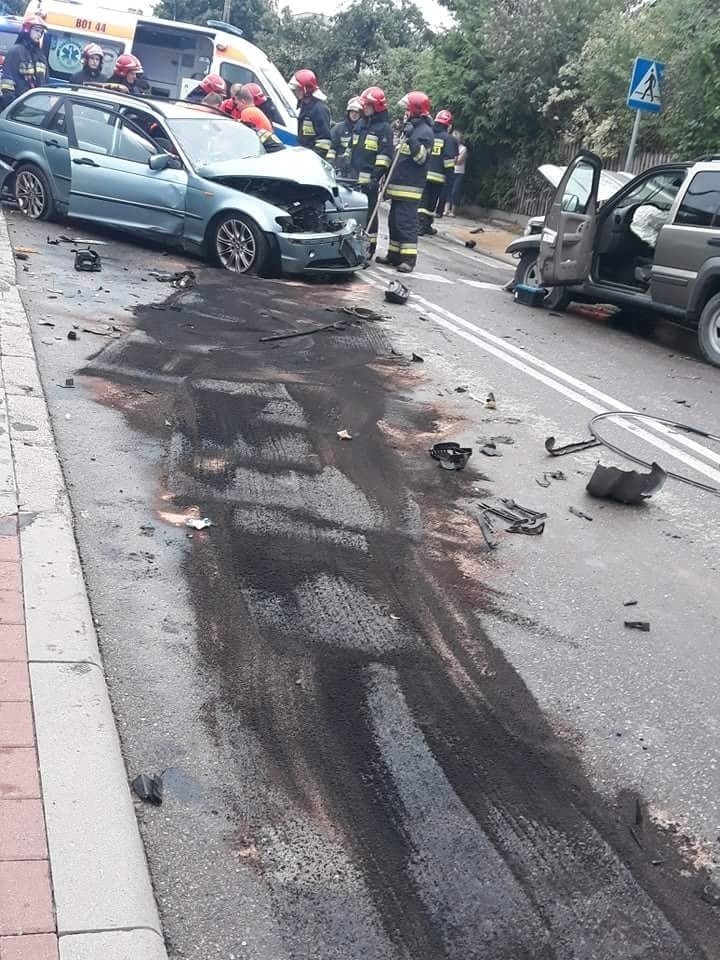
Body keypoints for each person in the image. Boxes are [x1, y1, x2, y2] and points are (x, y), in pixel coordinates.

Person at [376, 91, 433, 274]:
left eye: (407, 109)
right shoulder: (410, 129)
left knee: (406, 224)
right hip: (398, 188)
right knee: (394, 222)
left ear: (415, 111)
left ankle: (408, 260)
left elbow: (421, 158)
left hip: (409, 189)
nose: (405, 112)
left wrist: (412, 140)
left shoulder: (424, 132)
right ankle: (394, 255)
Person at [353, 86, 393, 257]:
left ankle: (369, 248)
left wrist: (375, 177)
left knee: (369, 214)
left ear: (377, 107)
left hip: (370, 180)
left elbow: (384, 156)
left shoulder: (384, 129)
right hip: (353, 179)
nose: (365, 108)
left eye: (368, 105)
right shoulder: (361, 125)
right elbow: (353, 150)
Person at [418, 109, 457, 236]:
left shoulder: (429, 134)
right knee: (431, 203)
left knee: (423, 201)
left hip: (423, 174)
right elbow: (449, 162)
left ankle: (423, 224)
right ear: (449, 126)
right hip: (438, 177)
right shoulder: (449, 139)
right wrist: (450, 178)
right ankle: (423, 225)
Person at [0, 14, 48, 108]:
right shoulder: (16, 51)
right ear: (27, 30)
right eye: (37, 30)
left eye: (41, 32)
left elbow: (45, 83)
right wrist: (11, 106)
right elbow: (7, 83)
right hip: (16, 107)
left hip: (36, 108)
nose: (39, 34)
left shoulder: (41, 57)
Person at [289, 69, 331, 159]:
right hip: (304, 157)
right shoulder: (305, 107)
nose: (295, 91)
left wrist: (313, 159)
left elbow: (324, 142)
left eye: (298, 88)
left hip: (313, 160)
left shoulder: (319, 109)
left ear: (306, 89)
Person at [327, 96, 361, 177]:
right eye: (352, 112)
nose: (354, 115)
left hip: (357, 170)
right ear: (348, 112)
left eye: (357, 112)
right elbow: (331, 149)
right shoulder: (338, 129)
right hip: (340, 169)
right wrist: (331, 163)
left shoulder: (364, 130)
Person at [446, 132, 467, 217]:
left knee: (455, 191)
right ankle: (446, 209)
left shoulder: (463, 149)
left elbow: (459, 161)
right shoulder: (450, 147)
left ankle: (453, 211)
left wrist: (452, 158)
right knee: (448, 190)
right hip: (450, 170)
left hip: (459, 172)